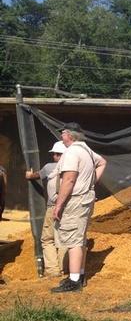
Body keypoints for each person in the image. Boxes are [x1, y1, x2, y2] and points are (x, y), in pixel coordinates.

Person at [51, 124, 106, 293]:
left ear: (70, 135)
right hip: (85, 198)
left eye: (63, 133)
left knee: (73, 238)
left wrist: (59, 205)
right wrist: (90, 183)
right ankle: (78, 276)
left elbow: (69, 179)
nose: (61, 136)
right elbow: (103, 162)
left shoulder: (72, 152)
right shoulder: (87, 150)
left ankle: (74, 281)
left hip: (74, 200)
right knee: (80, 238)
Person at [25, 141, 67, 277]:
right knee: (64, 238)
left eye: (58, 154)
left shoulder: (50, 167)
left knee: (48, 239)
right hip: (69, 207)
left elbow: (35, 175)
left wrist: (29, 175)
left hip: (53, 207)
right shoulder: (75, 168)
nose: (54, 156)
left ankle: (52, 270)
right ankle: (64, 268)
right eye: (54, 153)